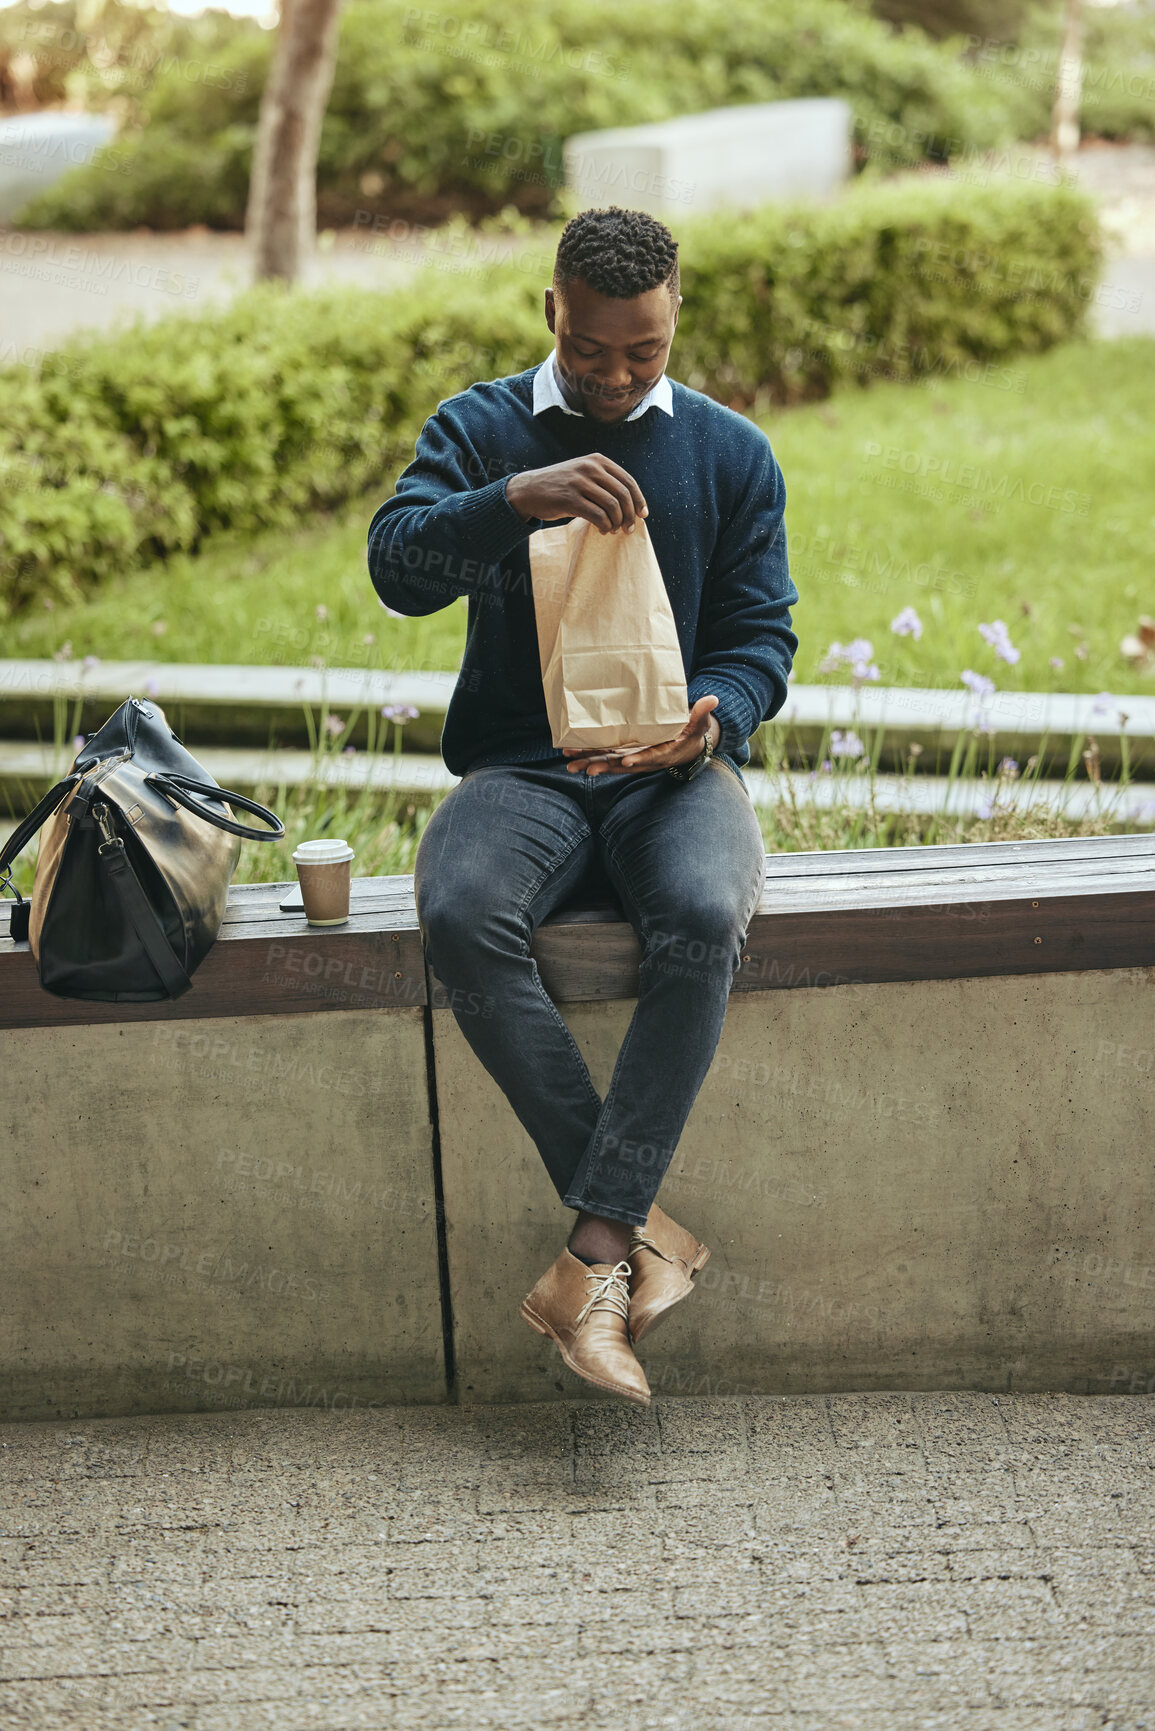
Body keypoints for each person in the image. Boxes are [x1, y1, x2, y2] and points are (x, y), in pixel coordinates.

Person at [368, 205, 797, 1406]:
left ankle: (595, 1256)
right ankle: (638, 1234)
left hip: (674, 771)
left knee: (705, 917)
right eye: (595, 348)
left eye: (644, 351)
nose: (616, 375)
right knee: (460, 914)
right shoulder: (483, 427)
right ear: (552, 309)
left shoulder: (729, 453)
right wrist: (513, 496)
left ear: (674, 321)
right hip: (523, 769)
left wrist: (714, 712)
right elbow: (396, 567)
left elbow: (763, 638)